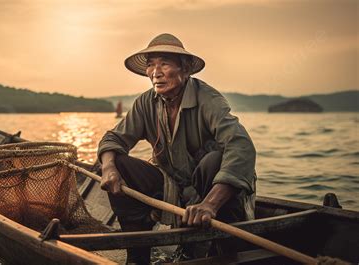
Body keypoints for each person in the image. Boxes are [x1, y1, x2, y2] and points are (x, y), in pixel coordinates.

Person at [97, 33, 257, 264]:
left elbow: (241, 146)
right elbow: (114, 138)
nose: (156, 72)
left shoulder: (208, 100)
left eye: (164, 63)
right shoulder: (146, 102)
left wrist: (210, 204)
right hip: (174, 186)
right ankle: (137, 256)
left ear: (186, 69)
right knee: (120, 164)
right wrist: (109, 167)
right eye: (151, 65)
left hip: (211, 193)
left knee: (213, 160)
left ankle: (218, 250)